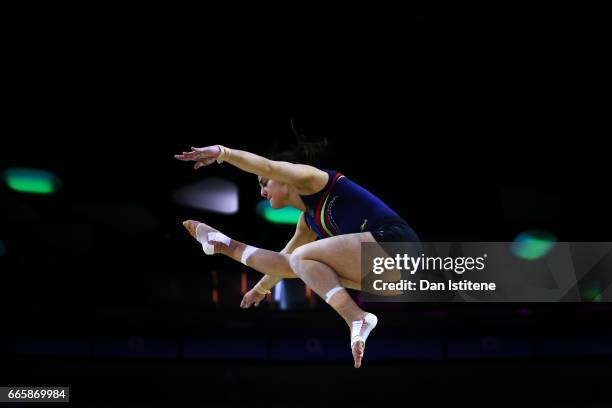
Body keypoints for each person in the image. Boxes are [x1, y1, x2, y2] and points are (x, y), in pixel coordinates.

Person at [175, 142, 419, 368]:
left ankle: (356, 317)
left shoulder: (315, 179)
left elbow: (267, 165)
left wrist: (223, 153)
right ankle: (224, 244)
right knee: (300, 263)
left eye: (263, 183)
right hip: (396, 281)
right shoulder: (308, 222)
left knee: (301, 258)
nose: (262, 192)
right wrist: (260, 289)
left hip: (399, 246)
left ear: (284, 178)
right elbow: (286, 259)